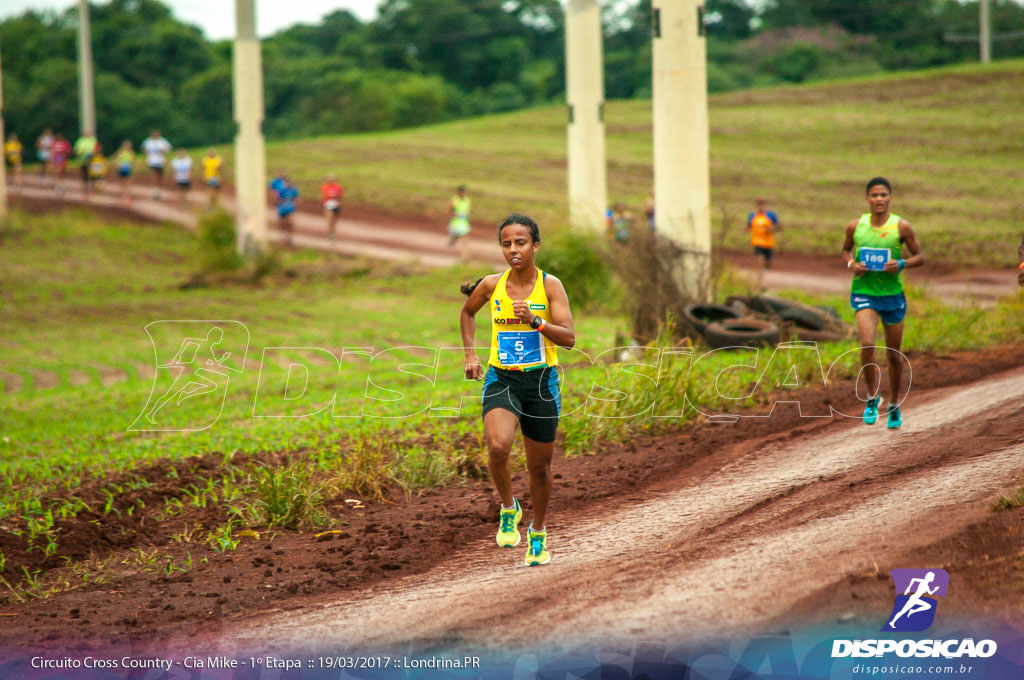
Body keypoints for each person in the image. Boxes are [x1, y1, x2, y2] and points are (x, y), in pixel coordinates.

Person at [459, 214, 576, 567]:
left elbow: (569, 339)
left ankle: (537, 534)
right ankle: (509, 508)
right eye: (506, 243)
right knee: (497, 447)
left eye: (520, 243)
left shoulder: (550, 286)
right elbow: (467, 313)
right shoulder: (492, 286)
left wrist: (537, 322)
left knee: (539, 469)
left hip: (541, 382)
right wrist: (470, 353)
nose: (513, 250)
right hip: (502, 378)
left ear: (535, 246)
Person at [841, 177, 924, 430]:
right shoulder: (856, 226)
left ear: (890, 198)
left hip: (892, 296)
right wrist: (851, 264)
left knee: (893, 354)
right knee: (867, 343)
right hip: (864, 292)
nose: (879, 199)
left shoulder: (902, 227)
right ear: (867, 198)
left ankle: (894, 403)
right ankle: (871, 397)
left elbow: (920, 257)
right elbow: (845, 251)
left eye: (883, 195)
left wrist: (900, 264)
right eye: (874, 195)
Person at [747, 198, 781, 290]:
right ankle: (759, 284)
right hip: (757, 242)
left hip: (768, 243)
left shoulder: (770, 215)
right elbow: (748, 226)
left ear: (765, 206)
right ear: (756, 206)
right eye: (758, 205)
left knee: (767, 264)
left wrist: (772, 228)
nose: (760, 207)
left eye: (762, 205)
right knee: (759, 262)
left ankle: (763, 279)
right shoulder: (752, 216)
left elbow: (779, 226)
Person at [142, 130, 172, 200]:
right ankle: (155, 191)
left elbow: (168, 149)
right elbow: (144, 148)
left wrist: (163, 151)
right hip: (152, 161)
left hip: (160, 161)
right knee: (154, 175)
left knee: (160, 176)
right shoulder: (148, 142)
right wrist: (147, 155)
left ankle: (158, 190)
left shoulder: (162, 141)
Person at [448, 185, 472, 260]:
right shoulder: (454, 200)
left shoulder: (467, 200)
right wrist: (456, 215)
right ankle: (452, 240)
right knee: (454, 237)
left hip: (464, 224)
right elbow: (448, 211)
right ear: (459, 192)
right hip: (455, 224)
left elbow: (468, 210)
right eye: (463, 192)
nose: (464, 193)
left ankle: (465, 257)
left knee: (465, 241)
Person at [274, 178, 299, 246]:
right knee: (283, 224)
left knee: (290, 223)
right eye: (286, 183)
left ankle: (289, 238)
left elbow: (295, 198)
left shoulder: (293, 191)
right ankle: (283, 237)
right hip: (282, 209)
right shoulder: (281, 190)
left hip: (290, 209)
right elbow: (277, 198)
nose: (288, 185)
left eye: (289, 183)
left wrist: (294, 206)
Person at [73, 130, 99, 197]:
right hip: (83, 160)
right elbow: (76, 150)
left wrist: (94, 153)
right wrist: (79, 153)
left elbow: (97, 149)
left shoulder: (93, 140)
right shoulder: (80, 140)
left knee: (93, 173)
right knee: (84, 174)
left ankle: (92, 187)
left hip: (92, 159)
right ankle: (85, 189)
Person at [321, 173, 344, 240]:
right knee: (329, 220)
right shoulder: (325, 187)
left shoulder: (338, 187)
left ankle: (333, 234)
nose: (331, 180)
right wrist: (324, 206)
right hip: (328, 205)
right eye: (329, 179)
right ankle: (329, 235)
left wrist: (339, 204)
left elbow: (340, 196)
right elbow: (324, 197)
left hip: (336, 205)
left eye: (332, 179)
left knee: (334, 222)